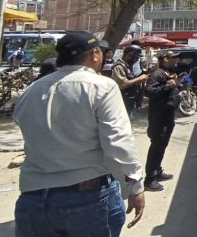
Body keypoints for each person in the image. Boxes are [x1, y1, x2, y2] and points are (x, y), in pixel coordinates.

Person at [13, 31, 145, 236]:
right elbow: (118, 142)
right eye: (100, 51)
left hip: (32, 200)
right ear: (94, 54)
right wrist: (134, 186)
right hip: (88, 198)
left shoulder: (32, 90)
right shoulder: (102, 86)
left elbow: (24, 127)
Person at [143, 50, 180, 192]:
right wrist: (167, 86)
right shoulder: (157, 73)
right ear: (165, 59)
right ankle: (149, 179)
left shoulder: (168, 73)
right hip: (158, 117)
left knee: (162, 146)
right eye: (174, 58)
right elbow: (148, 92)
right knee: (156, 147)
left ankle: (157, 171)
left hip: (167, 116)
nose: (177, 61)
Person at [111, 45, 149, 118]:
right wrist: (139, 79)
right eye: (136, 57)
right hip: (121, 100)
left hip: (129, 99)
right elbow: (122, 84)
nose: (137, 59)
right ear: (130, 55)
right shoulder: (119, 67)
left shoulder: (127, 66)